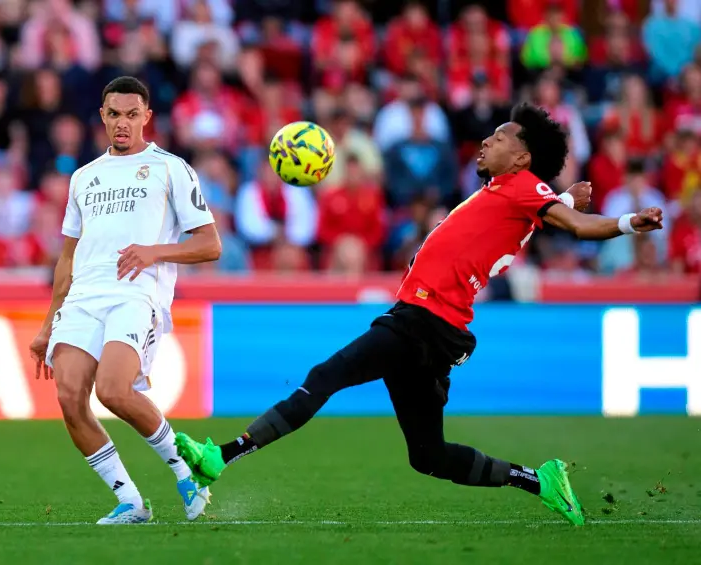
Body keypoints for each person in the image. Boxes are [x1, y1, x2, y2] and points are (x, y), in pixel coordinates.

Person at [173, 104, 663, 526]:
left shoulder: (522, 189)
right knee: (429, 457)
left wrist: (626, 223)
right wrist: (565, 198)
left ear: (522, 158)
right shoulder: (509, 194)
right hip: (433, 328)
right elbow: (557, 211)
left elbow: (577, 225)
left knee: (325, 376)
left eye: (497, 139)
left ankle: (220, 456)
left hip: (423, 322)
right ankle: (540, 481)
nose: (485, 144)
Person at [28, 76, 221, 525]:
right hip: (83, 299)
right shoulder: (84, 177)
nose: (122, 123)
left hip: (136, 293)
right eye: (114, 114)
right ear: (102, 116)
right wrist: (46, 326)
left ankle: (186, 472)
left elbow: (210, 244)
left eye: (132, 115)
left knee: (113, 390)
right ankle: (130, 502)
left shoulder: (170, 168)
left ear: (146, 118)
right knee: (70, 396)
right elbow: (67, 259)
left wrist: (154, 251)